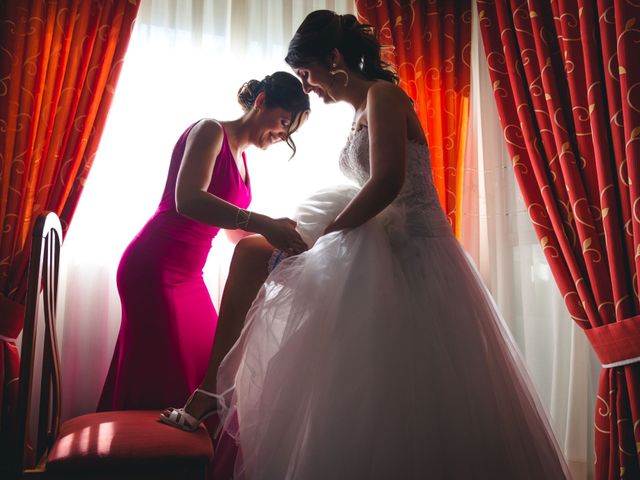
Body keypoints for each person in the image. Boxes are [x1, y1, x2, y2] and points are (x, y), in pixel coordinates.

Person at [163, 10, 571, 480]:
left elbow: (387, 182)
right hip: (377, 243)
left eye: (307, 72)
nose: (308, 86)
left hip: (414, 253)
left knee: (415, 392)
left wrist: (328, 234)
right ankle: (217, 389)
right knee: (257, 261)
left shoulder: (384, 96)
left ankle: (215, 391)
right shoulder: (359, 111)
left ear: (334, 58)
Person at [97, 72, 310, 412]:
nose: (281, 135)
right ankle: (151, 457)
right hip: (153, 268)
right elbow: (188, 200)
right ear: (261, 102)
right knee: (168, 378)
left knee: (209, 368)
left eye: (289, 132)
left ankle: (180, 456)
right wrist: (263, 223)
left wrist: (283, 240)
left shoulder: (242, 159)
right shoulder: (211, 130)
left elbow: (232, 232)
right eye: (283, 122)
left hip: (188, 277)